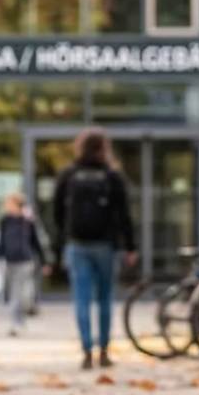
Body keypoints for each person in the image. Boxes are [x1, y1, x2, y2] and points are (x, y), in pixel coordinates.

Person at [50, 129, 137, 371]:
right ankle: (105, 351)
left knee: (82, 299)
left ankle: (87, 350)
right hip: (105, 245)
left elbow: (57, 213)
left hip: (77, 244)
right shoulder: (111, 176)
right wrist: (130, 246)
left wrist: (61, 244)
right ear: (104, 148)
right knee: (105, 299)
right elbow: (124, 215)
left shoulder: (69, 175)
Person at [0, 193, 46, 337]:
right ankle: (20, 322)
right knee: (13, 294)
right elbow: (2, 241)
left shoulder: (28, 220)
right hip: (10, 261)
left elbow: (36, 241)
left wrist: (44, 261)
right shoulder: (5, 220)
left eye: (9, 203)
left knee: (19, 295)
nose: (7, 206)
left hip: (25, 261)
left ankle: (16, 324)